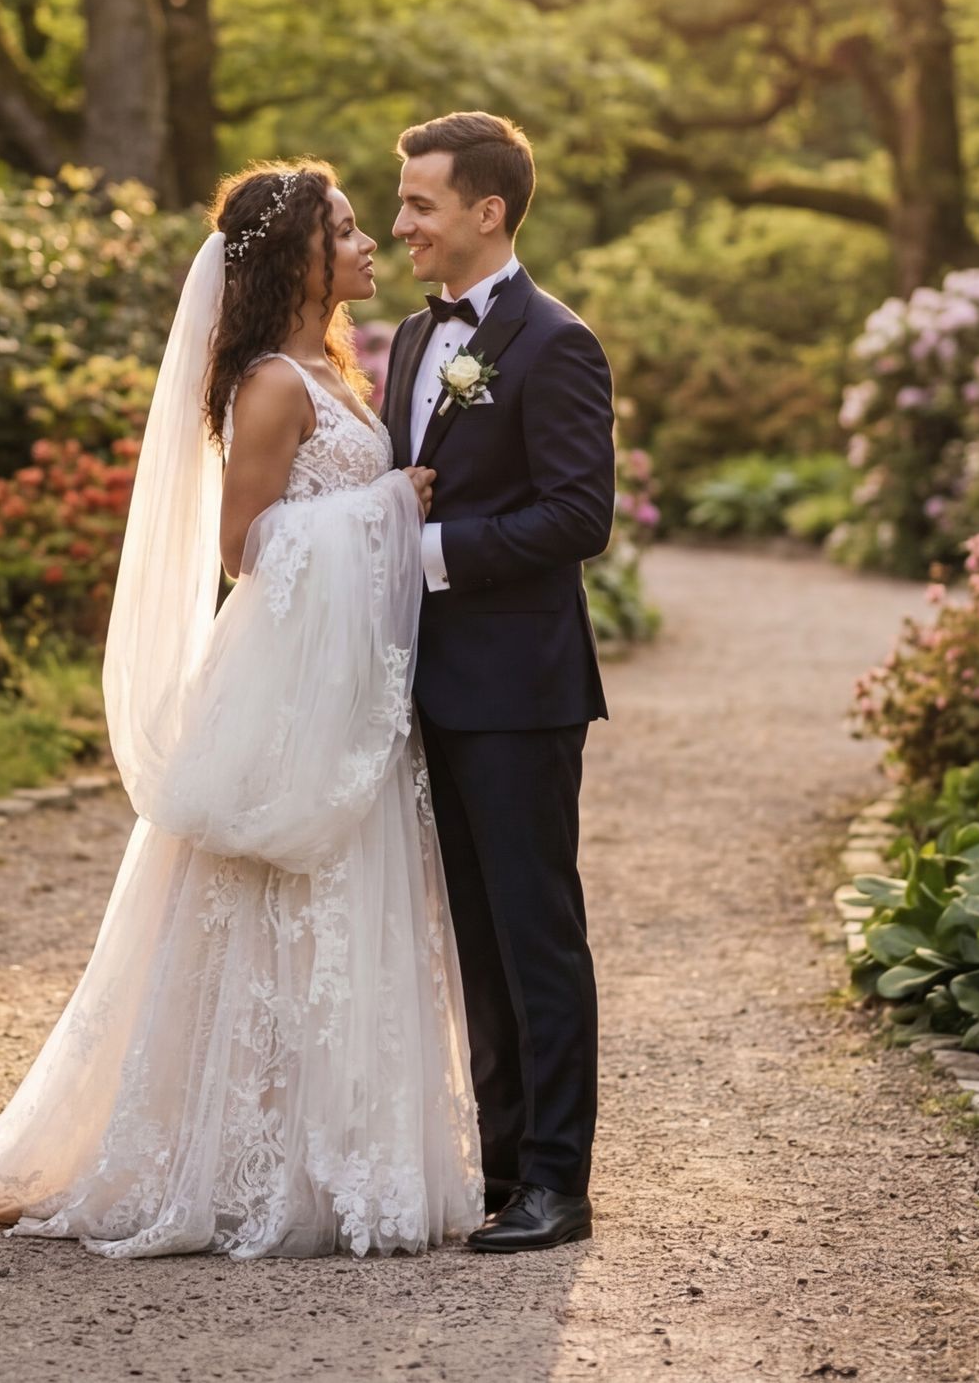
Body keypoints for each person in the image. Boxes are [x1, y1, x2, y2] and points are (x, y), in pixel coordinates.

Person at [0, 161, 484, 1258]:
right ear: (300, 256)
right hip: (282, 689)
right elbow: (244, 548)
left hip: (342, 690)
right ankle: (234, 1154)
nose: (370, 243)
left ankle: (328, 1147)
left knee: (339, 911)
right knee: (255, 915)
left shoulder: (334, 370)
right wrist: (388, 505)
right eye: (346, 230)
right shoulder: (269, 384)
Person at [384, 111, 614, 1253]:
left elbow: (581, 516)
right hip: (430, 684)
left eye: (421, 203)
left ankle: (560, 1184)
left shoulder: (555, 342)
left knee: (536, 932)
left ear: (488, 210)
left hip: (521, 689)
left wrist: (427, 556)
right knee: (472, 936)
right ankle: (507, 1164)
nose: (401, 224)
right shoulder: (418, 340)